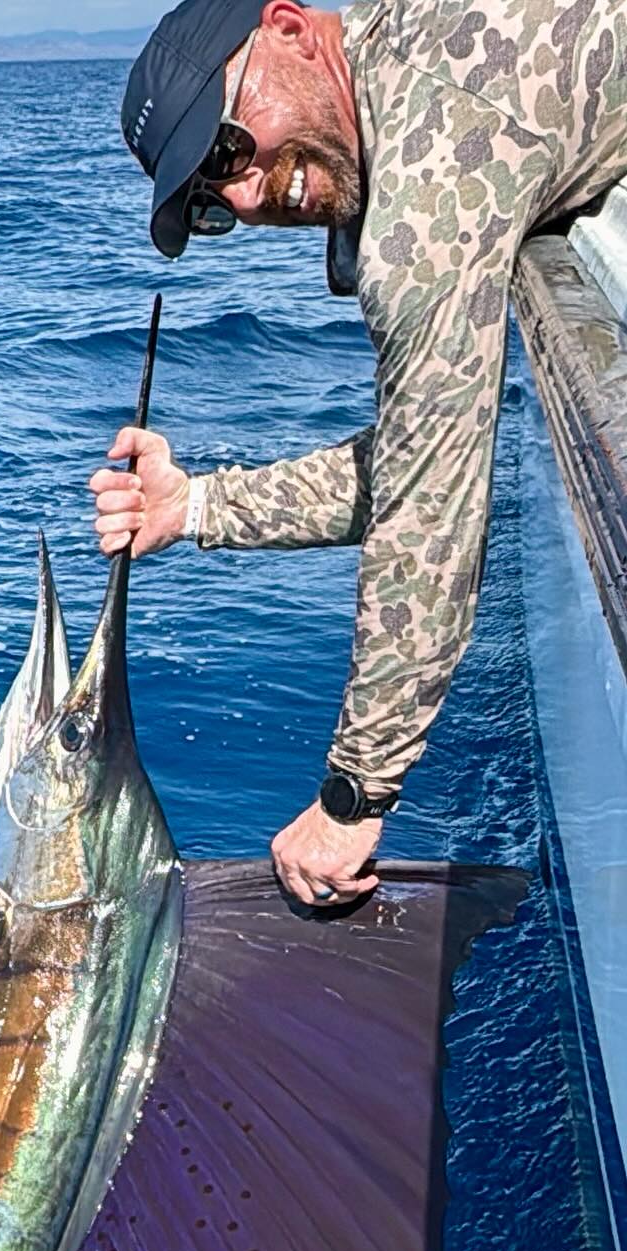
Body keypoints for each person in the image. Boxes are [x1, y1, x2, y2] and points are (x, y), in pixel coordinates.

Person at [94, 0, 627, 907]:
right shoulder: (395, 45)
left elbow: (430, 511)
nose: (249, 196)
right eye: (211, 204)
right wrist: (197, 508)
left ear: (290, 27)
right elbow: (422, 458)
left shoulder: (423, 187)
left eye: (226, 152)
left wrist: (354, 794)